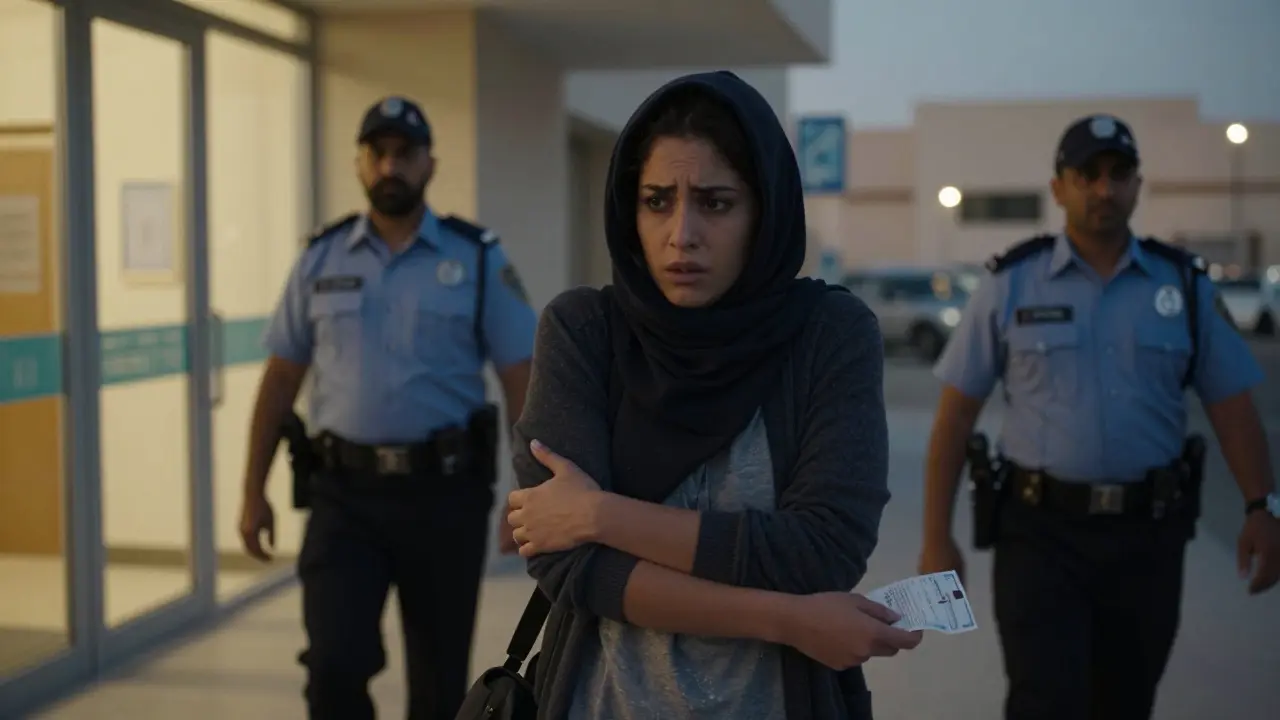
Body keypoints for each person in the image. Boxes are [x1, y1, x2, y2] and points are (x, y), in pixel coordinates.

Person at [502, 71, 923, 720]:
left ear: (764, 212)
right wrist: (786, 617)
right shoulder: (584, 332)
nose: (682, 234)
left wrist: (600, 514)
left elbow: (823, 549)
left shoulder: (826, 334)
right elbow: (566, 564)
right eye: (657, 201)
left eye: (716, 203)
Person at [919, 113, 1280, 720]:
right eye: (1086, 174)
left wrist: (1262, 508)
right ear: (1059, 187)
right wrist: (935, 538)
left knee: (1126, 701)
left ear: (1138, 185)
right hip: (1039, 537)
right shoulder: (1011, 285)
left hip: (1149, 538)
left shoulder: (1183, 287)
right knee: (1044, 703)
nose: (1103, 189)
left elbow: (1232, 405)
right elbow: (954, 419)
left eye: (1118, 174)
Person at [237, 95, 537, 720]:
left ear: (430, 165)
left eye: (405, 154)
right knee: (333, 666)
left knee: (437, 681)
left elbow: (522, 379)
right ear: (359, 162)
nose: (390, 166)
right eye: (378, 153)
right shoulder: (320, 259)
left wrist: (526, 495)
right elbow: (280, 377)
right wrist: (252, 489)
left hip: (444, 496)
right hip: (343, 498)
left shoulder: (475, 257)